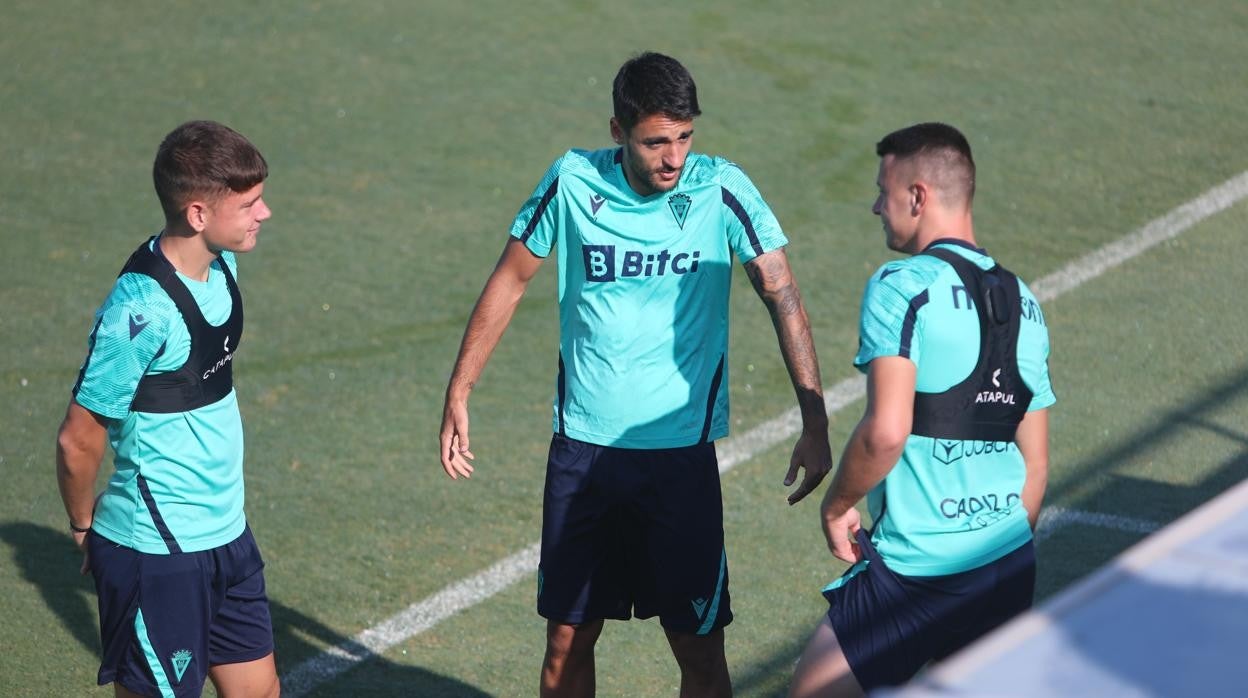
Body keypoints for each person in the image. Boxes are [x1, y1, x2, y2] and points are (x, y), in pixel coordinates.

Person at [439, 52, 832, 697]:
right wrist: (459, 391)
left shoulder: (722, 189)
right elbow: (510, 280)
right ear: (618, 131)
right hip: (584, 453)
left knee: (699, 648)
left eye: (684, 138)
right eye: (656, 141)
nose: (673, 158)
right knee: (566, 643)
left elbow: (782, 294)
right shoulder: (572, 182)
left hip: (679, 460)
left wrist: (814, 422)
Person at [788, 123, 1056, 697]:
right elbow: (1035, 464)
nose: (875, 206)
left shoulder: (903, 286)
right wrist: (991, 547)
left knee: (814, 690)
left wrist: (837, 507)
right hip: (1006, 559)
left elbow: (885, 431)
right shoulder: (1026, 300)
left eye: (884, 191)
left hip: (917, 568)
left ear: (917, 196)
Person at [55, 120, 279, 698]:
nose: (265, 213)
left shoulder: (221, 265)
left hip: (227, 532)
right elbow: (79, 439)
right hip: (161, 551)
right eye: (249, 203)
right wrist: (84, 527)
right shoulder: (140, 312)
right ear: (198, 214)